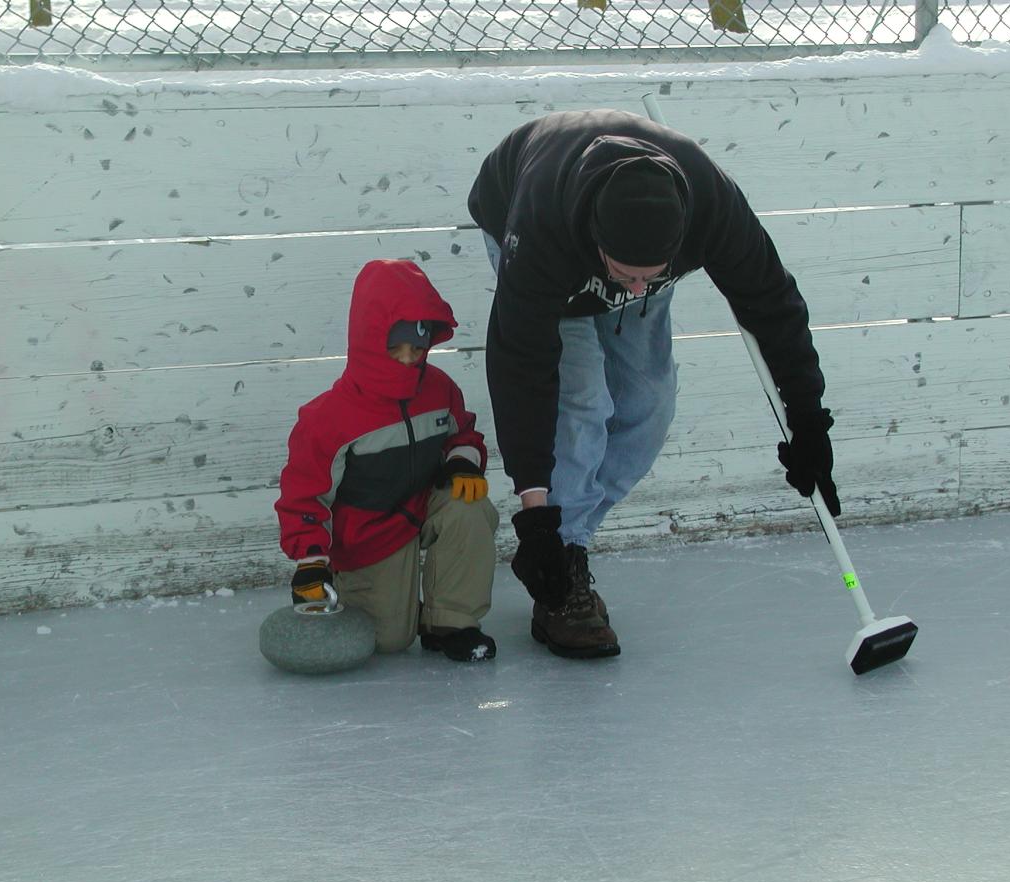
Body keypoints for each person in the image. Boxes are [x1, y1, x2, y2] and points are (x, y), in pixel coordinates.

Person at [468, 109, 839, 660]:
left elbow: (773, 305)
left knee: (649, 405)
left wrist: (808, 419)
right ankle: (563, 572)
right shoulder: (541, 228)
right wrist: (535, 511)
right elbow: (521, 366)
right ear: (597, 239)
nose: (638, 286)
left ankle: (563, 537)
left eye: (651, 275)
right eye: (626, 274)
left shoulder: (712, 206)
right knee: (581, 401)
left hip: (623, 244)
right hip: (525, 220)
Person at [274, 259, 500, 662]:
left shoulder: (440, 389)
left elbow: (463, 434)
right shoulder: (329, 418)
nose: (409, 359)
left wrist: (463, 460)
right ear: (368, 338)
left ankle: (451, 621)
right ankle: (380, 596)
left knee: (470, 506)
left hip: (424, 503)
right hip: (370, 532)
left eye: (417, 347)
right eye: (395, 348)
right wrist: (311, 561)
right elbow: (304, 496)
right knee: (388, 640)